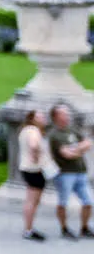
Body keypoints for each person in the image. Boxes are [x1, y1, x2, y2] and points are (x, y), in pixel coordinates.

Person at [47, 103, 91, 240]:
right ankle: (64, 228)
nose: (67, 116)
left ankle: (84, 228)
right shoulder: (55, 135)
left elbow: (88, 143)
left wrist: (75, 149)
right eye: (64, 113)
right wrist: (80, 148)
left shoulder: (72, 130)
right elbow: (66, 154)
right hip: (65, 174)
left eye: (67, 113)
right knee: (63, 202)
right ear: (56, 116)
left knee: (88, 202)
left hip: (80, 172)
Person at [17, 109, 52, 241]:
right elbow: (33, 145)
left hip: (27, 168)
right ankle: (28, 229)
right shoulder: (33, 130)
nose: (43, 119)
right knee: (32, 201)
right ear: (33, 119)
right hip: (34, 170)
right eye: (40, 117)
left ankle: (28, 227)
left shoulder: (25, 130)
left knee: (31, 200)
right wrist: (36, 157)